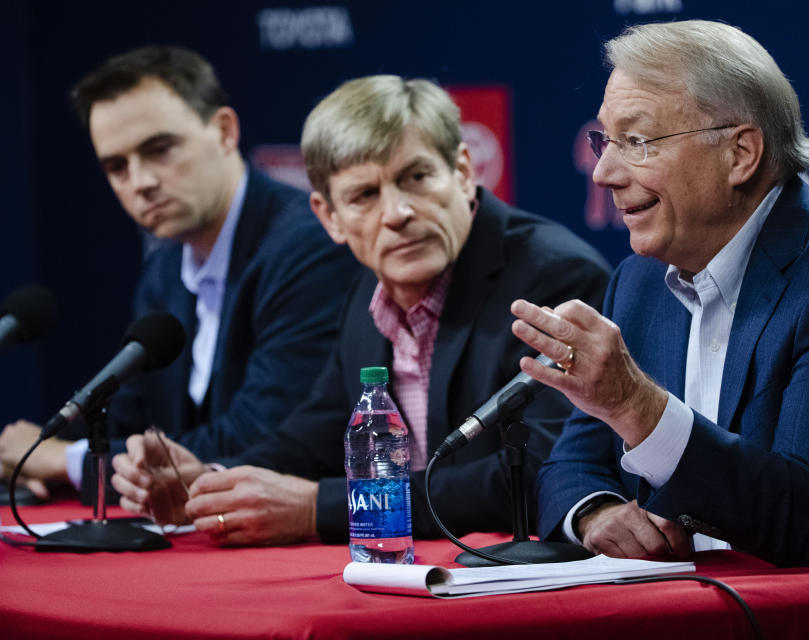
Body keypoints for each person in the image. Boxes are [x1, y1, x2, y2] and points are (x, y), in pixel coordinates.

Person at [510, 20, 809, 637]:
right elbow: (573, 461)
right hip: (695, 618)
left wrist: (636, 406)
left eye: (637, 141)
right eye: (604, 141)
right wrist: (596, 513)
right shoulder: (639, 281)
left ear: (740, 154)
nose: (604, 173)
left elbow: (807, 521)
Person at [110, 75, 611, 545]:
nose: (396, 214)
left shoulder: (552, 278)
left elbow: (544, 473)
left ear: (461, 172)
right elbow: (313, 436)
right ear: (330, 217)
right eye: (365, 195)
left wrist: (326, 509)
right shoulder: (369, 292)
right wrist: (210, 481)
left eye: (416, 177)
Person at [0, 46, 357, 502]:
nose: (140, 181)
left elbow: (263, 434)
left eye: (160, 149)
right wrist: (50, 459)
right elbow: (132, 423)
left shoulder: (307, 245)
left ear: (225, 131)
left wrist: (66, 462)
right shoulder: (165, 269)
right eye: (117, 166)